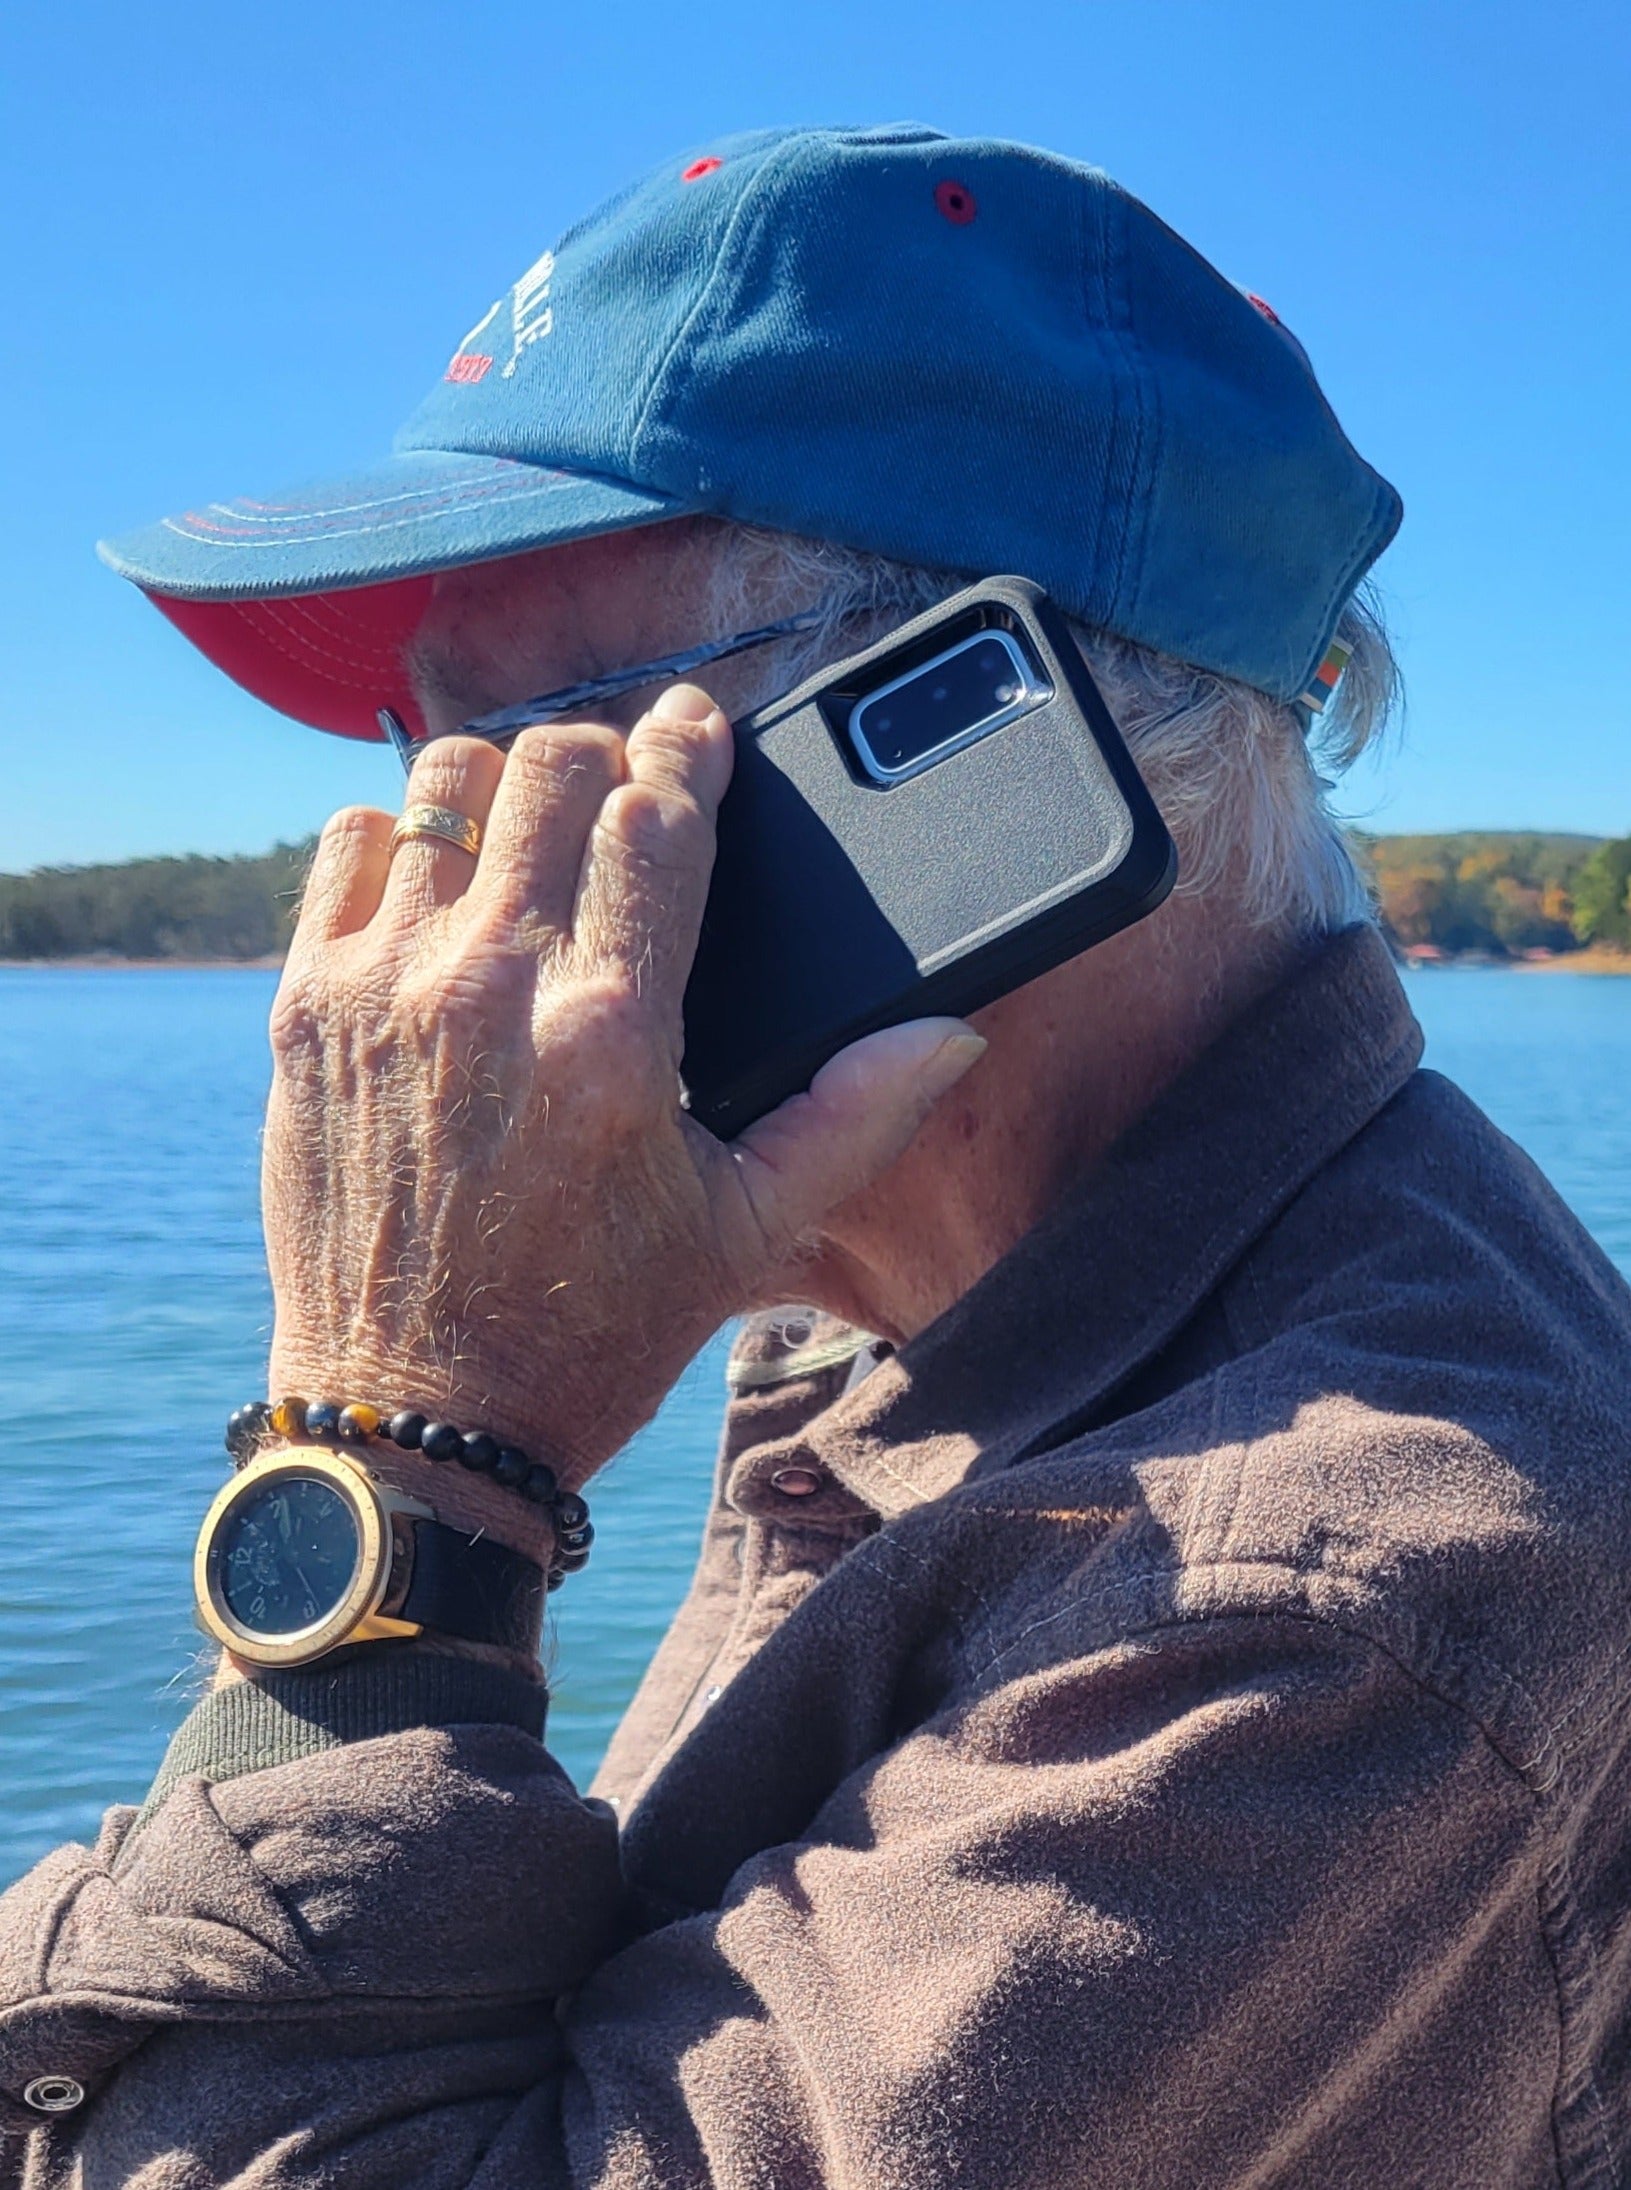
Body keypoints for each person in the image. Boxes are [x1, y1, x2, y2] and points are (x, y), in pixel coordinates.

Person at [2, 124, 1628, 2189]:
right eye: (420, 770)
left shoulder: (1318, 1608)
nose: (423, 897)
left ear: (988, 767)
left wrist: (406, 1448)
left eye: (527, 754)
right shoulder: (918, 1290)